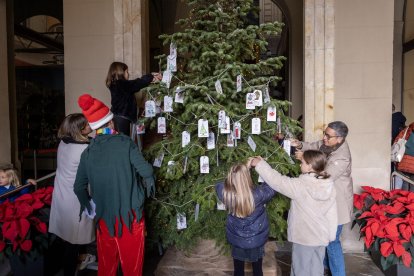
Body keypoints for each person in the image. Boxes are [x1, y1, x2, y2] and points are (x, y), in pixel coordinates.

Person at [74, 94, 155, 276]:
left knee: (107, 267)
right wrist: (146, 186)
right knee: (132, 269)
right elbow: (147, 172)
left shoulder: (88, 152)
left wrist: (90, 206)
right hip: (130, 218)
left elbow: (78, 188)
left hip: (104, 219)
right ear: (111, 122)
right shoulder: (125, 143)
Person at [248, 151, 337, 276]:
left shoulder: (301, 185)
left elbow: (278, 181)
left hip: (304, 238)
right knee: (316, 270)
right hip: (321, 237)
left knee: (300, 271)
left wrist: (260, 164)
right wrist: (330, 236)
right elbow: (332, 213)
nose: (300, 165)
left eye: (302, 162)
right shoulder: (328, 185)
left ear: (310, 166)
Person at [290, 121, 352, 276]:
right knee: (323, 241)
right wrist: (299, 144)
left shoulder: (342, 156)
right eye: (324, 133)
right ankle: (322, 270)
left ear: (339, 138)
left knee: (332, 243)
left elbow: (326, 176)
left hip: (337, 206)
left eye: (328, 136)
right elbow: (312, 145)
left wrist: (305, 160)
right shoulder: (327, 144)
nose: (324, 137)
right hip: (325, 203)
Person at [47, 113, 95, 276]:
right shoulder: (84, 149)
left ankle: (82, 258)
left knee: (67, 236)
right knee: (72, 241)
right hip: (75, 197)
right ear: (80, 129)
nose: (90, 125)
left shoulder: (63, 143)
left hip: (61, 194)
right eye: (87, 124)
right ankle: (70, 271)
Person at [215, 163, 277, 276]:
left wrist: (234, 175)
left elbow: (218, 184)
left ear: (230, 178)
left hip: (237, 240)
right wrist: (264, 167)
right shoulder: (258, 195)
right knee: (257, 270)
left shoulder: (225, 194)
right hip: (255, 241)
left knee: (238, 270)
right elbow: (272, 187)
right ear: (247, 177)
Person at [105, 62, 162, 136]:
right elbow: (137, 83)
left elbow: (134, 85)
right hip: (121, 118)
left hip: (121, 117)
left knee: (124, 139)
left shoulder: (117, 84)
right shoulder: (120, 84)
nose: (128, 74)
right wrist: (151, 76)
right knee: (123, 141)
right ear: (120, 73)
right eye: (126, 72)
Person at [393, 122, 414, 191]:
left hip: (404, 163)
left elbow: (397, 143)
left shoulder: (407, 130)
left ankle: (404, 200)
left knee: (405, 182)